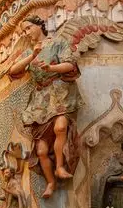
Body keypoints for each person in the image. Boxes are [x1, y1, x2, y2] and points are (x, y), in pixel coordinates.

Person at [7, 16, 80, 198]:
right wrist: (32, 56)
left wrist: (50, 68)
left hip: (59, 92)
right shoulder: (30, 51)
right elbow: (13, 70)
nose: (27, 32)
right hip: (40, 101)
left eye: (28, 28)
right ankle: (50, 182)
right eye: (24, 30)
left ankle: (60, 167)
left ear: (40, 26)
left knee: (61, 127)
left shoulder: (58, 43)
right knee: (40, 150)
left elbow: (70, 64)